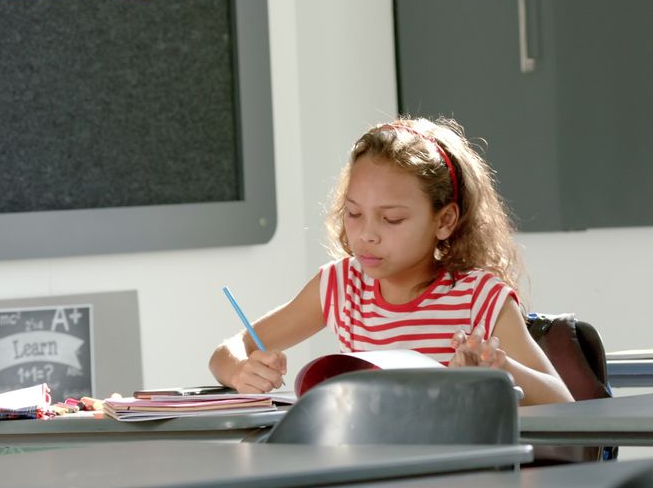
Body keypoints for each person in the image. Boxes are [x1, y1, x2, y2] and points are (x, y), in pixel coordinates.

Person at [209, 116, 573, 406]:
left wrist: (501, 369)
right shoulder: (339, 287)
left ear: (444, 220)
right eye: (353, 213)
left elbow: (563, 402)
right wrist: (240, 370)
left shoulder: (480, 299)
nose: (367, 234)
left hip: (459, 480)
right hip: (369, 475)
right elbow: (229, 351)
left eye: (392, 219)